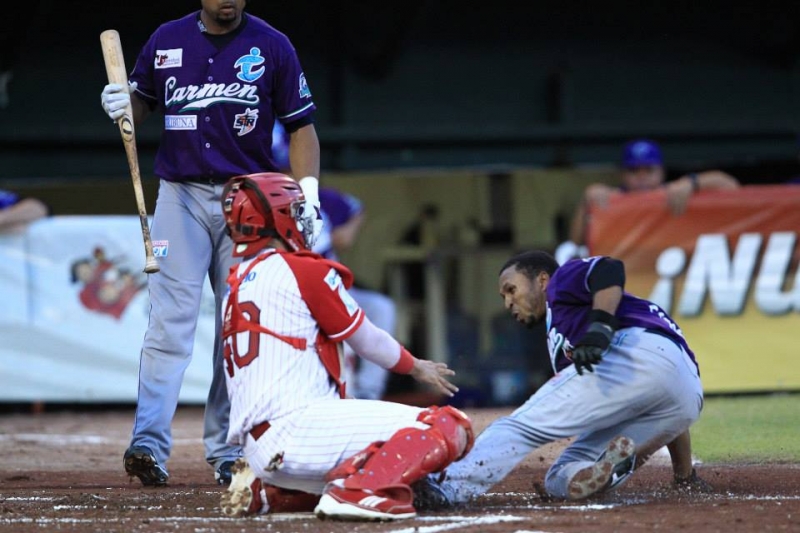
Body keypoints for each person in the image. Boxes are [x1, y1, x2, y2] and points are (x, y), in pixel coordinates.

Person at [99, 0, 323, 486]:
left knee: (235, 325)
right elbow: (139, 106)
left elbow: (302, 126)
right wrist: (122, 102)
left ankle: (227, 450)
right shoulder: (166, 39)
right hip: (179, 195)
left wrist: (308, 194)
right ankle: (148, 444)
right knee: (170, 323)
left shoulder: (272, 43)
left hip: (247, 199)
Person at [216, 173, 473, 521]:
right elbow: (367, 339)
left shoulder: (236, 282)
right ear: (275, 218)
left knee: (401, 466)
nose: (302, 217)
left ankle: (274, 495)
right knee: (447, 425)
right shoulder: (302, 270)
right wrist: (416, 366)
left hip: (262, 449)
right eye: (292, 209)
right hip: (298, 432)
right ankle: (358, 493)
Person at [415, 250, 706, 508]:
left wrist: (601, 328)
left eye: (511, 289)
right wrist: (684, 474)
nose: (507, 303)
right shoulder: (563, 333)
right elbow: (664, 383)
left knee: (520, 426)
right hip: (686, 395)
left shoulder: (560, 281)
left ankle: (447, 486)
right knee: (559, 475)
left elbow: (609, 268)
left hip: (634, 352)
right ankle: (597, 472)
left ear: (541, 280)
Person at [567, 139, 740, 251]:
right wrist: (586, 201)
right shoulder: (611, 199)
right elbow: (576, 241)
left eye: (649, 170)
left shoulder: (674, 192)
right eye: (634, 170)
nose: (642, 177)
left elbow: (731, 186)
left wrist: (692, 182)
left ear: (661, 172)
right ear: (622, 174)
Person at [312, 187, 397, 400]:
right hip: (303, 294)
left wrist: (348, 230)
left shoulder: (318, 197)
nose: (289, 173)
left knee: (380, 308)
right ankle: (338, 396)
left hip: (334, 289)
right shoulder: (273, 201)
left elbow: (356, 207)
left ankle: (368, 392)